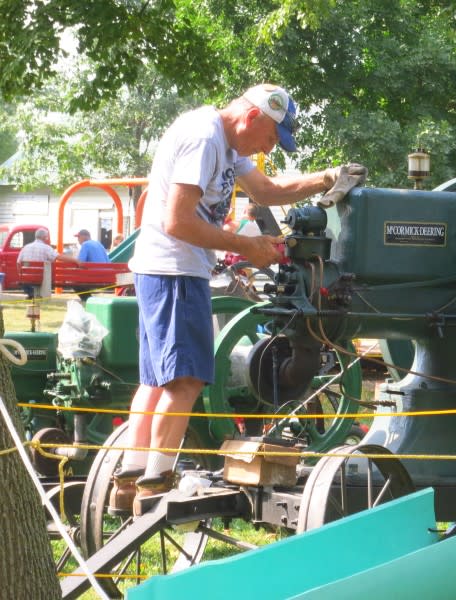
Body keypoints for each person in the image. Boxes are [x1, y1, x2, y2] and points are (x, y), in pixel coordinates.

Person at [110, 83, 367, 516]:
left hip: (165, 270)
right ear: (252, 117)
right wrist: (245, 246)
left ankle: (129, 479)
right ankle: (155, 483)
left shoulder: (226, 144)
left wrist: (326, 178)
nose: (270, 146)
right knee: (186, 381)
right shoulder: (205, 137)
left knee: (155, 381)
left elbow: (266, 191)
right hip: (175, 269)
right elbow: (176, 221)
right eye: (270, 137)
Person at [16, 227, 80, 299]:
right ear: (44, 237)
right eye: (46, 236)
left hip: (26, 278)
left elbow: (18, 263)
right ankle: (34, 295)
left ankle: (32, 294)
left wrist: (21, 275)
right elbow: (59, 257)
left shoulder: (25, 247)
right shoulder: (46, 248)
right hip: (41, 278)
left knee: (30, 281)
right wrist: (75, 260)